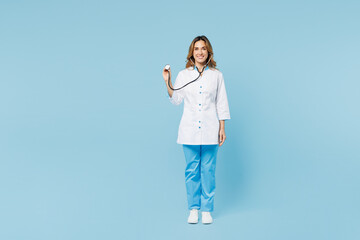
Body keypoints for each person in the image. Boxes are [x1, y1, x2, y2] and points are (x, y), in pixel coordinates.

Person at [162, 35, 231, 224]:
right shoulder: (184, 75)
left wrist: (222, 127)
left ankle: (207, 209)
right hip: (189, 130)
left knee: (208, 170)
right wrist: (167, 81)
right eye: (196, 49)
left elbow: (221, 102)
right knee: (192, 171)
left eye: (203, 48)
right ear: (191, 53)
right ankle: (193, 208)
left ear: (208, 51)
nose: (200, 52)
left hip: (211, 130)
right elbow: (176, 99)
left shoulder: (217, 75)